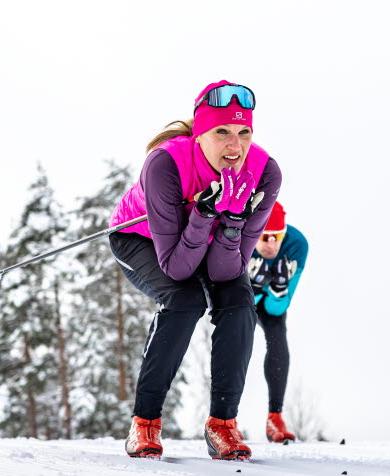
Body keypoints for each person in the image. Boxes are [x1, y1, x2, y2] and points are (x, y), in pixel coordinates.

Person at [108, 80, 280, 461]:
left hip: (217, 245)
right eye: (222, 132)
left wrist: (234, 221)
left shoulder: (265, 173)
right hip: (144, 240)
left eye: (244, 132)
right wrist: (204, 213)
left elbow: (223, 273)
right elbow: (177, 267)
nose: (235, 146)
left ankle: (222, 425)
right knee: (183, 301)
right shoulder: (166, 163)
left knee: (238, 303)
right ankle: (145, 422)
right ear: (199, 134)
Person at [245, 201, 308, 442]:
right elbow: (232, 298)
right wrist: (255, 286)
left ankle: (275, 416)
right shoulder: (240, 237)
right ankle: (225, 418)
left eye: (277, 236)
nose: (271, 245)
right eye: (264, 237)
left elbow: (277, 308)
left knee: (279, 339)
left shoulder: (296, 245)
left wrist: (279, 288)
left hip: (270, 301)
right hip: (243, 299)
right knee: (238, 338)